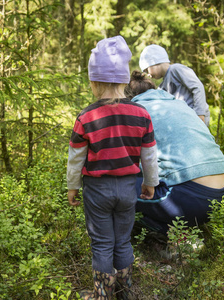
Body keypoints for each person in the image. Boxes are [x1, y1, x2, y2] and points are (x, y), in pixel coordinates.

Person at [67, 36, 159, 300]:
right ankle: (126, 292)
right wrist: (150, 183)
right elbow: (149, 155)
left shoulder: (86, 116)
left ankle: (102, 295)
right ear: (123, 81)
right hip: (129, 188)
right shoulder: (141, 114)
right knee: (122, 240)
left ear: (94, 82)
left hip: (97, 190)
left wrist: (73, 186)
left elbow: (76, 158)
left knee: (102, 243)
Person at [125, 70, 224, 236]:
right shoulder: (180, 104)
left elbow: (127, 160)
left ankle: (173, 234)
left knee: (116, 189)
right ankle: (192, 229)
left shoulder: (135, 111)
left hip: (193, 199)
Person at [139, 44, 211, 126]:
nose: (148, 75)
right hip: (186, 120)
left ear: (154, 62)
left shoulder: (176, 69)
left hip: (196, 116)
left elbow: (198, 87)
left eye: (146, 70)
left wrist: (200, 114)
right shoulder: (161, 87)